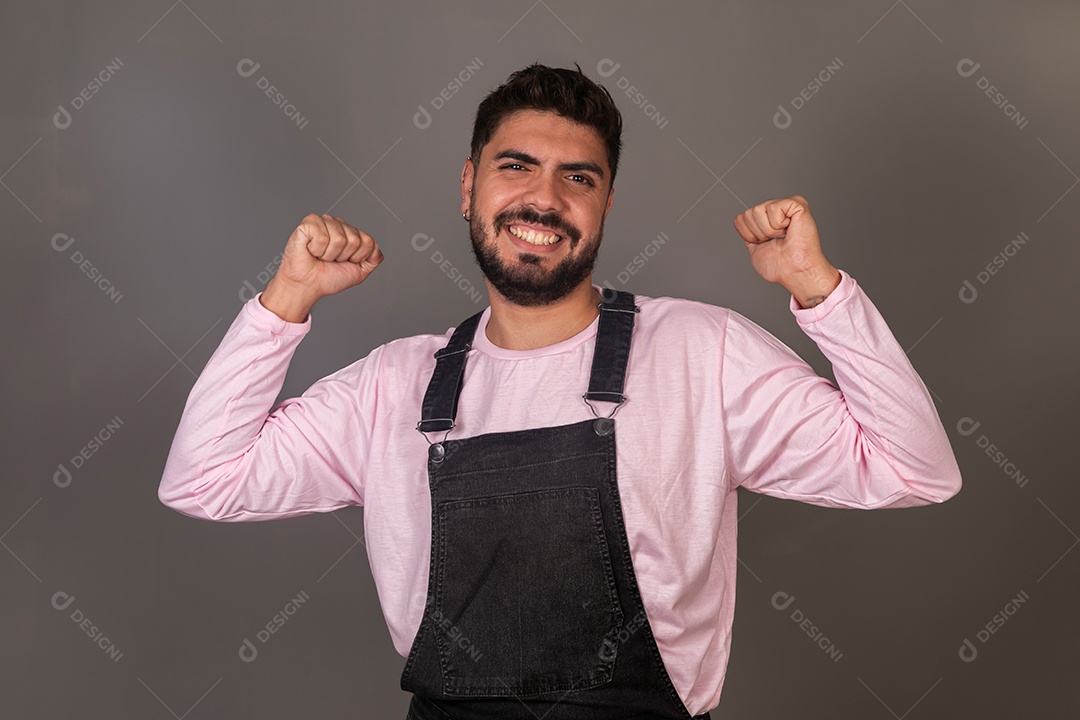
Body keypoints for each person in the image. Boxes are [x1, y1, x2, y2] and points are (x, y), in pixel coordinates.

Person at [159, 63, 962, 719]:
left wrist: (819, 292)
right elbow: (204, 480)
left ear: (605, 204)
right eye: (517, 167)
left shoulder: (700, 352)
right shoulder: (394, 383)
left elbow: (914, 468)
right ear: (469, 186)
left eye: (577, 178)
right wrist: (286, 299)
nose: (545, 199)